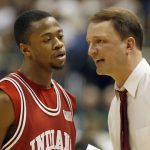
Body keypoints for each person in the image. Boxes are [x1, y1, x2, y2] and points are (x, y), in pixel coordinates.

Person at [0, 10, 76, 150]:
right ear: (26, 50)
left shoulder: (67, 99)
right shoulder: (7, 98)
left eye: (60, 36)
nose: (58, 44)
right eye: (47, 39)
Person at [86, 7, 150, 150]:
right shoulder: (116, 106)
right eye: (89, 43)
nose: (91, 51)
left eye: (100, 41)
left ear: (129, 45)